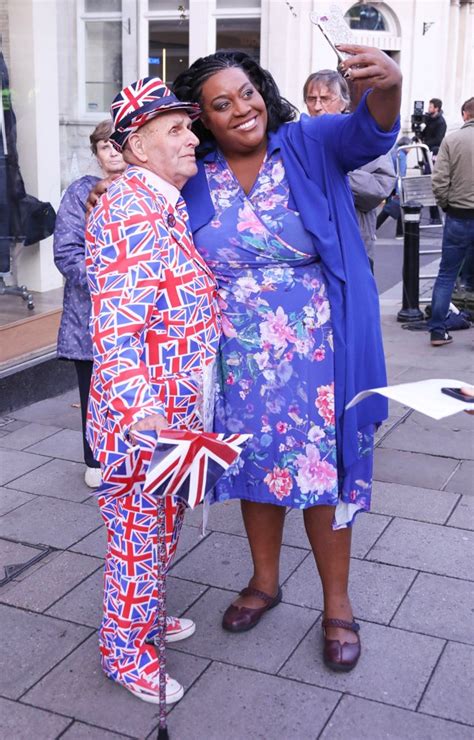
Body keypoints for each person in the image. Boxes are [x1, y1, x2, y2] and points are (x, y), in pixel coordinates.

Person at [172, 46, 401, 672]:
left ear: (262, 92)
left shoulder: (306, 143)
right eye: (221, 104)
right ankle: (264, 583)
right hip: (235, 352)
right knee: (254, 465)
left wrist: (388, 85)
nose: (241, 109)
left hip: (317, 347)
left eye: (246, 92)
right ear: (204, 119)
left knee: (324, 471)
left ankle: (337, 606)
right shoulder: (197, 172)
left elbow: (370, 130)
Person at [85, 78, 220, 703]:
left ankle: (139, 617)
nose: (193, 138)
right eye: (176, 129)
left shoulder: (158, 203)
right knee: (139, 539)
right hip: (145, 421)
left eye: (189, 126)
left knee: (158, 532)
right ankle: (126, 653)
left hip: (172, 414)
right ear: (137, 147)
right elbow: (116, 329)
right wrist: (145, 417)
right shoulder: (130, 209)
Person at [54, 120, 125, 489]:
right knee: (93, 389)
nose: (112, 150)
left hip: (139, 314)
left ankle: (134, 454)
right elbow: (66, 252)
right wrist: (108, 278)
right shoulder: (79, 193)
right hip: (91, 313)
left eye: (117, 143)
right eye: (104, 145)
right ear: (96, 153)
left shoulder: (147, 188)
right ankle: (94, 457)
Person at [303, 69, 395, 271]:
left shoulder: (364, 137)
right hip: (310, 251)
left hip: (354, 247)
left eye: (325, 98)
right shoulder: (298, 138)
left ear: (344, 102)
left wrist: (335, 172)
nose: (317, 107)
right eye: (311, 99)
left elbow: (381, 188)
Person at [428, 97, 474, 347]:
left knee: (446, 274)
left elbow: (439, 180)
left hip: (458, 214)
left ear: (465, 114)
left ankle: (437, 330)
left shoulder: (453, 139)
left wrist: (446, 204)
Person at [419, 98, 447, 224]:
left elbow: (438, 140)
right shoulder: (429, 120)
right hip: (427, 153)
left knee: (431, 183)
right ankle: (433, 216)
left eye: (431, 107)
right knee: (427, 183)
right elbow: (424, 134)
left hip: (434, 155)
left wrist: (425, 143)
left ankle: (435, 216)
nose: (428, 109)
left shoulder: (441, 122)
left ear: (437, 108)